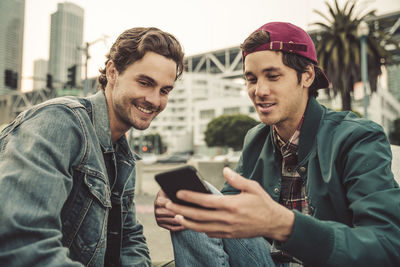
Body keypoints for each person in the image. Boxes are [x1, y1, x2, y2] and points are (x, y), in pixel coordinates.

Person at [154, 22, 400, 266]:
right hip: (266, 261)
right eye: (251, 79)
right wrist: (174, 208)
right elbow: (228, 207)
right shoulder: (256, 138)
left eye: (273, 76)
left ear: (307, 76)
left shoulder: (358, 137)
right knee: (196, 200)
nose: (259, 91)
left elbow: (389, 245)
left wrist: (285, 225)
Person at [0, 27, 184, 266]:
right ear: (112, 72)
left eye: (164, 90)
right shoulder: (60, 122)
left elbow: (128, 237)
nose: (155, 100)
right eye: (145, 82)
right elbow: (22, 243)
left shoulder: (122, 155)